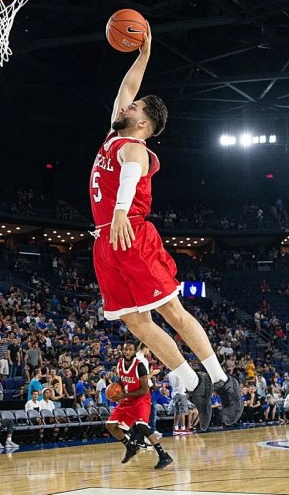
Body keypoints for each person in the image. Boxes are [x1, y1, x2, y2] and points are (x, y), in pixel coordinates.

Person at [88, 27, 240, 431]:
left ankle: (225, 382)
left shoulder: (134, 147)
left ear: (144, 124)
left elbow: (131, 175)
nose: (127, 105)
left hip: (131, 231)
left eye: (134, 107)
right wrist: (144, 53)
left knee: (171, 310)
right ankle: (194, 384)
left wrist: (121, 210)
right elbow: (128, 85)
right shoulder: (114, 134)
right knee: (135, 322)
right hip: (105, 240)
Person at [105, 341, 172, 469]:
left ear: (135, 351)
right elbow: (122, 379)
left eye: (130, 350)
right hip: (127, 398)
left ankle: (164, 455)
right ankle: (130, 447)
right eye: (126, 349)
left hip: (141, 399)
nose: (127, 352)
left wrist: (123, 395)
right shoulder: (119, 363)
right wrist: (116, 388)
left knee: (141, 426)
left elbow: (144, 390)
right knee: (110, 425)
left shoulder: (140, 366)